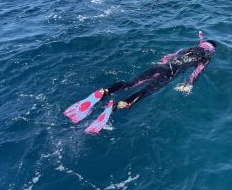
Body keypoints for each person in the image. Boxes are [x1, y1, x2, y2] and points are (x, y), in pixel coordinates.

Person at [63, 32, 217, 131]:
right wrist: (189, 84)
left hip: (160, 66)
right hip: (170, 74)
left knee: (130, 83)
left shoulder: (190, 48)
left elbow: (170, 55)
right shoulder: (206, 57)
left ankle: (106, 91)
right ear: (211, 51)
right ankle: (117, 105)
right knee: (142, 92)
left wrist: (162, 62)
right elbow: (197, 72)